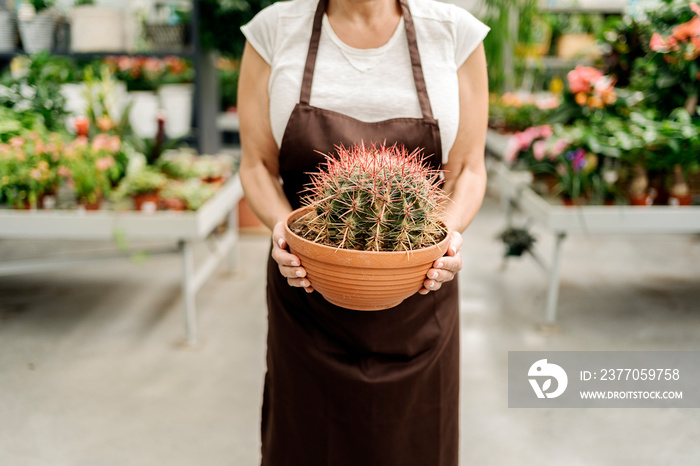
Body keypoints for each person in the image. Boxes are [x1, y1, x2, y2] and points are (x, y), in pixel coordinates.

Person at [238, 0, 489, 463]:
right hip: (305, 293)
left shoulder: (454, 32)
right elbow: (255, 164)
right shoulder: (274, 29)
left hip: (421, 297)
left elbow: (469, 168)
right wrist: (282, 230)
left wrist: (444, 237)